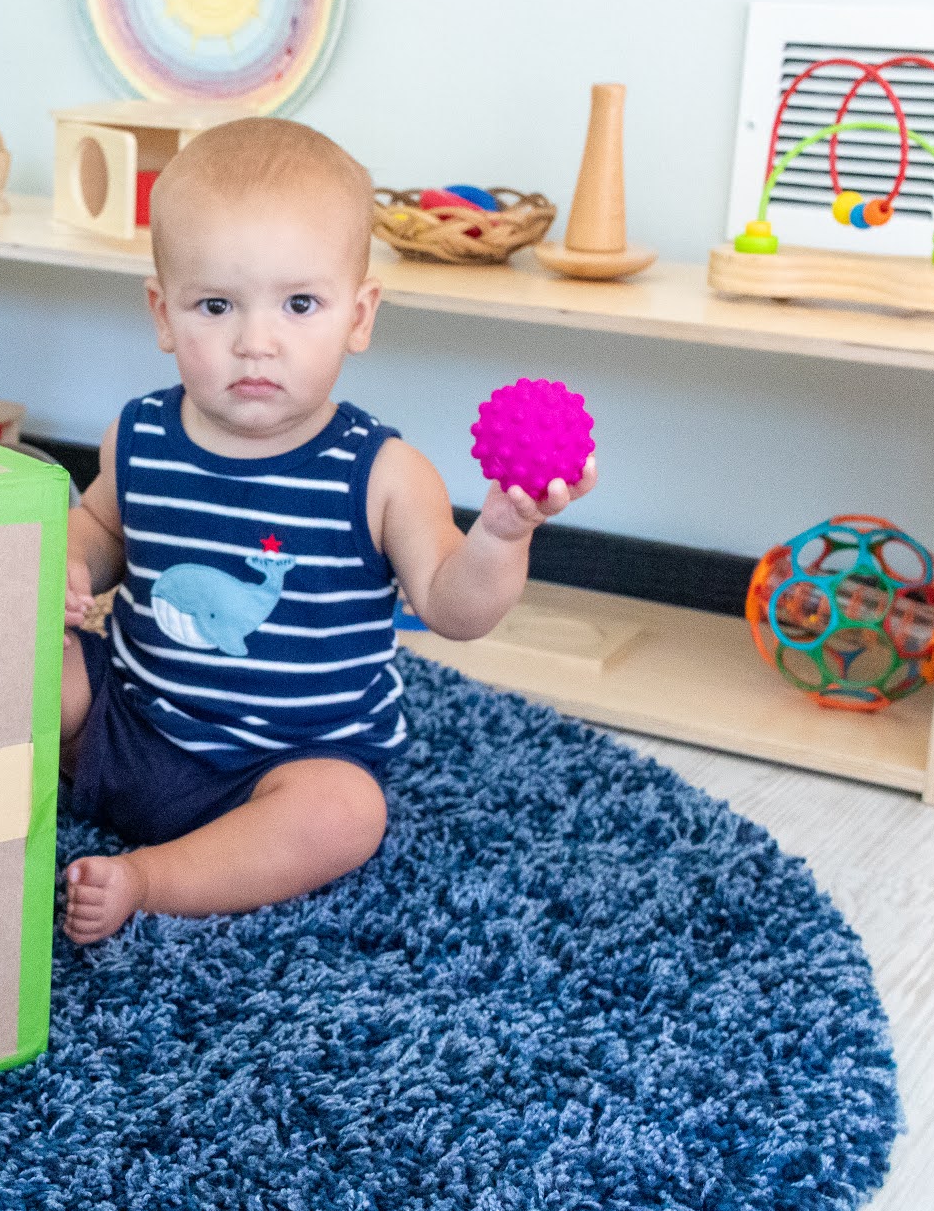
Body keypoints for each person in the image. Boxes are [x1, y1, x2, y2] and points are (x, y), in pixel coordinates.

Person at [60, 117, 597, 944]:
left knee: (349, 812)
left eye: (300, 304)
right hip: (127, 721)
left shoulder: (383, 473)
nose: (256, 342)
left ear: (359, 313)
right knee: (22, 664)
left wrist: (499, 534)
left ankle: (154, 877)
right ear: (163, 314)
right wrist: (69, 559)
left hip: (279, 771)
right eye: (215, 305)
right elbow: (102, 524)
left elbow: (455, 608)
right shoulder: (139, 436)